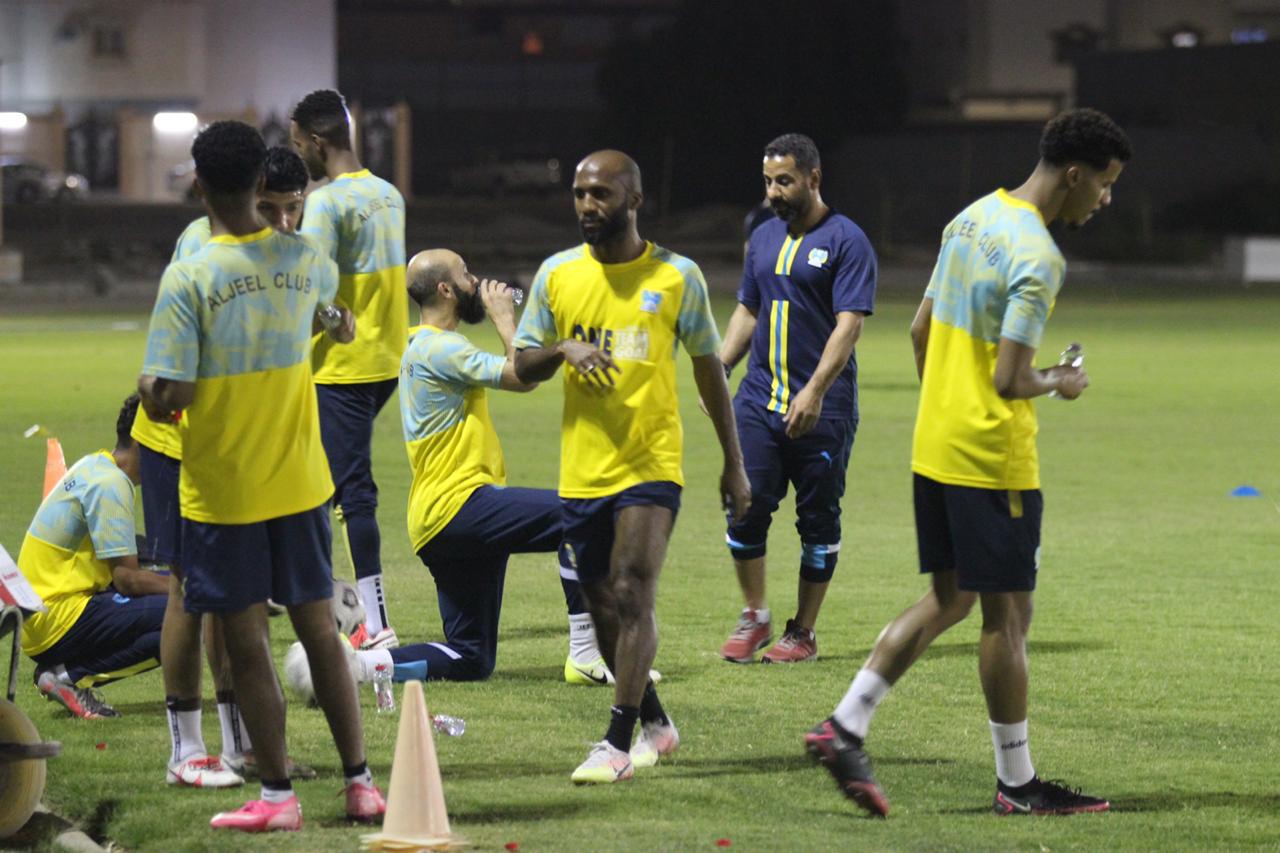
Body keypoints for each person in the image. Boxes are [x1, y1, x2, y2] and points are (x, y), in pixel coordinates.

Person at [805, 108, 1130, 817]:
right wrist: (1061, 381)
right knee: (1008, 616)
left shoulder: (973, 217)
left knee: (951, 598)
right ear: (1075, 175)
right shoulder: (1039, 256)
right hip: (992, 459)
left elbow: (922, 327)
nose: (1105, 199)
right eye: (1105, 184)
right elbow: (1014, 379)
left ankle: (846, 724)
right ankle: (1016, 784)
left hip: (937, 444)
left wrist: (947, 404)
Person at [137, 120, 382, 832]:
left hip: (227, 488)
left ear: (199, 183)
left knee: (247, 641)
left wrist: (151, 386)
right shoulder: (304, 258)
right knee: (319, 634)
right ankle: (361, 783)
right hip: (302, 478)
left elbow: (174, 393)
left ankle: (276, 796)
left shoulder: (191, 274)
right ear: (260, 183)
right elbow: (309, 321)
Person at [513, 150, 751, 784]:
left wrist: (735, 463)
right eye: (580, 194)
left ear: (634, 200)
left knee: (631, 589)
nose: (589, 206)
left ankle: (616, 743)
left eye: (602, 195)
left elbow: (709, 371)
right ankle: (656, 723)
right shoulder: (558, 275)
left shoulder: (678, 277)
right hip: (582, 467)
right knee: (599, 603)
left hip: (651, 463)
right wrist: (563, 347)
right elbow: (523, 366)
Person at [344, 248, 615, 685]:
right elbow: (523, 376)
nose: (477, 281)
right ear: (446, 290)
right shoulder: (442, 348)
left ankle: (356, 667)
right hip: (460, 505)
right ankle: (585, 654)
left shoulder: (418, 343)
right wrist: (504, 317)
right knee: (580, 514)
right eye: (467, 275)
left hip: (438, 520)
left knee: (470, 657)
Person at [138, 144, 314, 790]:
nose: (283, 222)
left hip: (236, 450)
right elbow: (179, 368)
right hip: (177, 441)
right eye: (270, 207)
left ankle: (241, 741)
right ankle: (186, 748)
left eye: (293, 211)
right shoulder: (200, 246)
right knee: (192, 591)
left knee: (236, 602)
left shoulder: (282, 252)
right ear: (248, 191)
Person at [715, 134, 877, 664]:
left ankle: (803, 632)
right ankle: (754, 614)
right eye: (767, 182)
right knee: (744, 503)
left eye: (783, 181)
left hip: (822, 407)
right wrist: (718, 368)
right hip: (758, 400)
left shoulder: (848, 241)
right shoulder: (763, 237)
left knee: (818, 519)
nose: (773, 193)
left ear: (813, 178)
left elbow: (848, 326)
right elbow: (748, 310)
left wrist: (813, 391)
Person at [290, 88, 408, 651]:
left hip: (344, 367)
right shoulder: (388, 195)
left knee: (349, 489)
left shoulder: (327, 202)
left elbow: (312, 288)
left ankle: (375, 621)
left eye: (298, 145)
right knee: (323, 482)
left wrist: (316, 324)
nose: (299, 157)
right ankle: (325, 596)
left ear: (317, 142)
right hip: (388, 360)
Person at [18, 394, 169, 720]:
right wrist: (193, 587)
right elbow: (127, 580)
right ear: (146, 441)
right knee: (186, 612)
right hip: (57, 617)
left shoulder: (95, 464)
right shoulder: (111, 484)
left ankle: (63, 672)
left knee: (179, 598)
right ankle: (68, 677)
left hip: (39, 615)